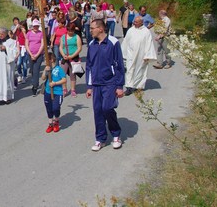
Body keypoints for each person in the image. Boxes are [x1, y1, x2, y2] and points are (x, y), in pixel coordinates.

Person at [86, 19, 125, 151]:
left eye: (92, 28)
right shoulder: (91, 44)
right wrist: (89, 86)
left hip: (110, 83)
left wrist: (120, 86)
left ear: (101, 29)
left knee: (107, 108)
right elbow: (89, 66)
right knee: (98, 111)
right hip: (96, 84)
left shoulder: (113, 43)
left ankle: (116, 135)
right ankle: (100, 139)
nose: (90, 30)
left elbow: (119, 65)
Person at [121, 16, 157, 96]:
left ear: (141, 22)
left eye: (136, 22)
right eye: (134, 22)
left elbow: (149, 43)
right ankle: (129, 87)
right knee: (129, 70)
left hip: (141, 55)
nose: (134, 23)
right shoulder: (130, 30)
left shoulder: (146, 31)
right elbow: (126, 41)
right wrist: (123, 53)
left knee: (139, 70)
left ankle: (138, 86)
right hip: (131, 54)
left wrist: (147, 55)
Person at [41, 53, 67, 133]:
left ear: (51, 60)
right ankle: (50, 124)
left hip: (57, 92)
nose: (45, 61)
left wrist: (55, 83)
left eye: (46, 60)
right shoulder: (47, 68)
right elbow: (43, 78)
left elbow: (64, 80)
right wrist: (45, 70)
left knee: (55, 108)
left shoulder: (59, 69)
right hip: (48, 91)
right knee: (49, 108)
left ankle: (56, 122)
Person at [59, 23, 83, 97]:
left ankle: (73, 90)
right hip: (65, 58)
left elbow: (79, 48)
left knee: (73, 75)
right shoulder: (63, 37)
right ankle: (64, 89)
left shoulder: (76, 37)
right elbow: (61, 47)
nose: (70, 32)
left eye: (72, 30)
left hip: (74, 58)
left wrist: (72, 56)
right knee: (62, 74)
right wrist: (63, 55)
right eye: (69, 30)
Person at [25, 19, 45, 96]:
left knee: (36, 70)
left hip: (39, 54)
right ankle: (34, 82)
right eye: (34, 26)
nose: (36, 27)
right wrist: (31, 54)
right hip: (30, 54)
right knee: (32, 70)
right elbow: (27, 44)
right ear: (32, 26)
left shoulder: (41, 33)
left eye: (37, 26)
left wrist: (37, 55)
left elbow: (42, 44)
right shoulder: (29, 33)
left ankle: (35, 86)